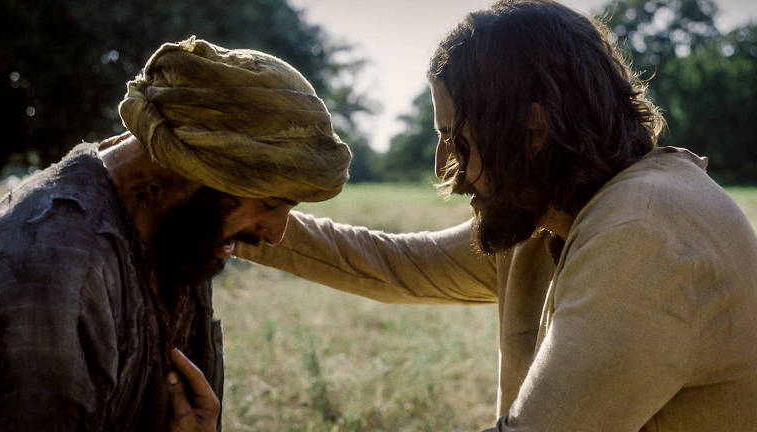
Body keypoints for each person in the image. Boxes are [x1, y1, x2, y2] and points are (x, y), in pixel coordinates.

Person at [237, 1, 757, 431]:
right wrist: (241, 213)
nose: (445, 167)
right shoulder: (553, 219)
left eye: (454, 138)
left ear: (533, 129)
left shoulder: (640, 236)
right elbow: (392, 263)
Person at [0, 37, 351, 431]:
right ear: (188, 170)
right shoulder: (48, 269)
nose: (276, 235)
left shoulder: (178, 230)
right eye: (269, 204)